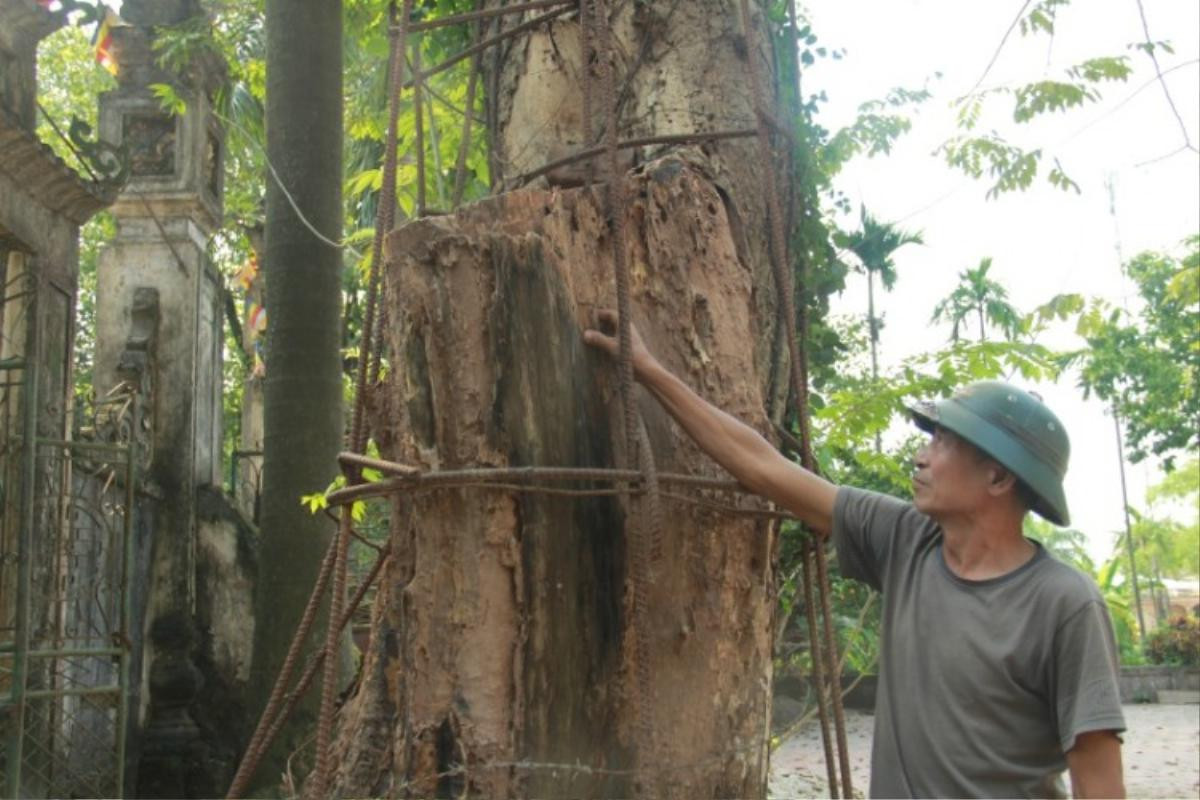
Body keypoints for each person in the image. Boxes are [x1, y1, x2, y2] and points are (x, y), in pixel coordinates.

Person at [584, 309, 1126, 799]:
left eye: (941, 442)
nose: (920, 456)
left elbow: (1099, 780)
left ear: (999, 476)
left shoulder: (1064, 604)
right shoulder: (905, 540)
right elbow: (763, 468)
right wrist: (650, 371)